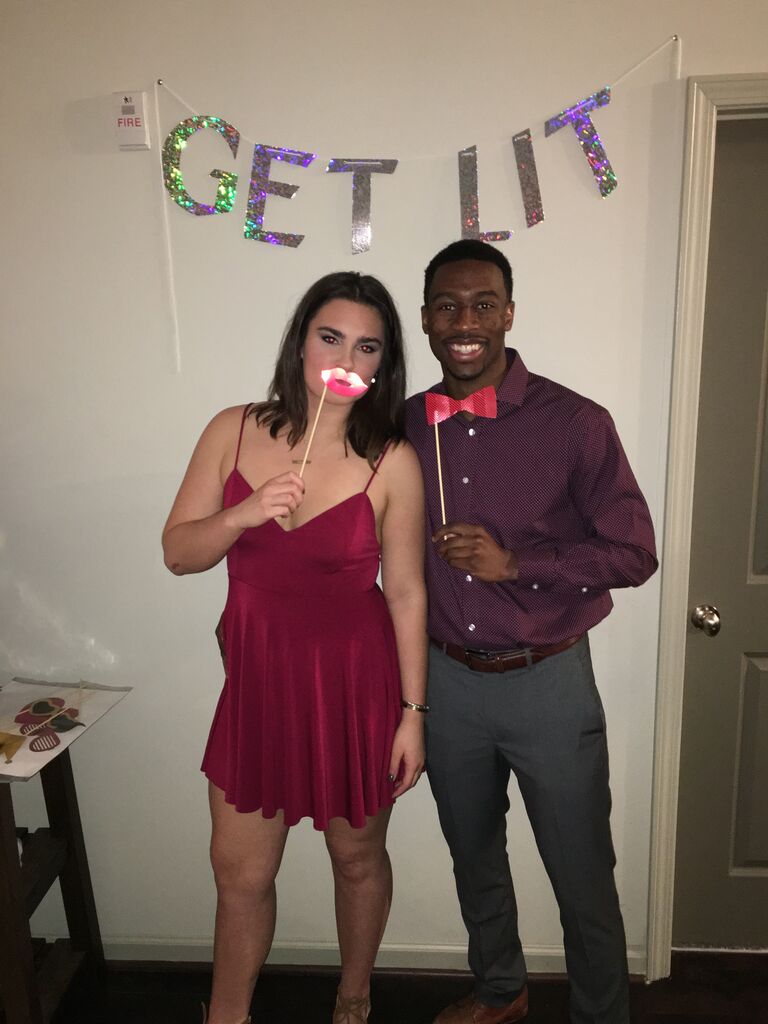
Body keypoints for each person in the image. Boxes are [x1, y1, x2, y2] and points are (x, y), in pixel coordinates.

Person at [163, 272, 427, 1024]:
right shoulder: (231, 429)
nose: (346, 354)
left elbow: (407, 593)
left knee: (356, 858)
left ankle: (354, 993)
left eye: (367, 345)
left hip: (355, 689)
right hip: (257, 691)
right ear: (302, 341)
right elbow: (179, 554)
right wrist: (244, 512)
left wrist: (413, 713)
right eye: (331, 336)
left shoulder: (392, 461)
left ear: (380, 366)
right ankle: (227, 1015)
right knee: (240, 875)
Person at [405, 240, 657, 1024]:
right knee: (474, 857)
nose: (465, 321)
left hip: (549, 680)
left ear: (509, 314)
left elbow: (635, 553)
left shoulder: (577, 423)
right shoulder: (404, 425)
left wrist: (518, 564)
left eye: (483, 304)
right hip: (445, 683)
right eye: (448, 305)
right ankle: (500, 990)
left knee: (582, 870)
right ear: (425, 320)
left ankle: (601, 1015)